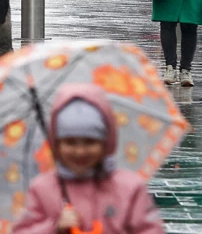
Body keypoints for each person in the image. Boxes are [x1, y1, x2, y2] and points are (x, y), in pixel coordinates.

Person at [12, 83, 165, 234]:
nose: (80, 152)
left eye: (90, 142)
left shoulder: (130, 188)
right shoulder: (42, 189)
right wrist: (54, 228)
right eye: (70, 142)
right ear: (56, 144)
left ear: (105, 142)